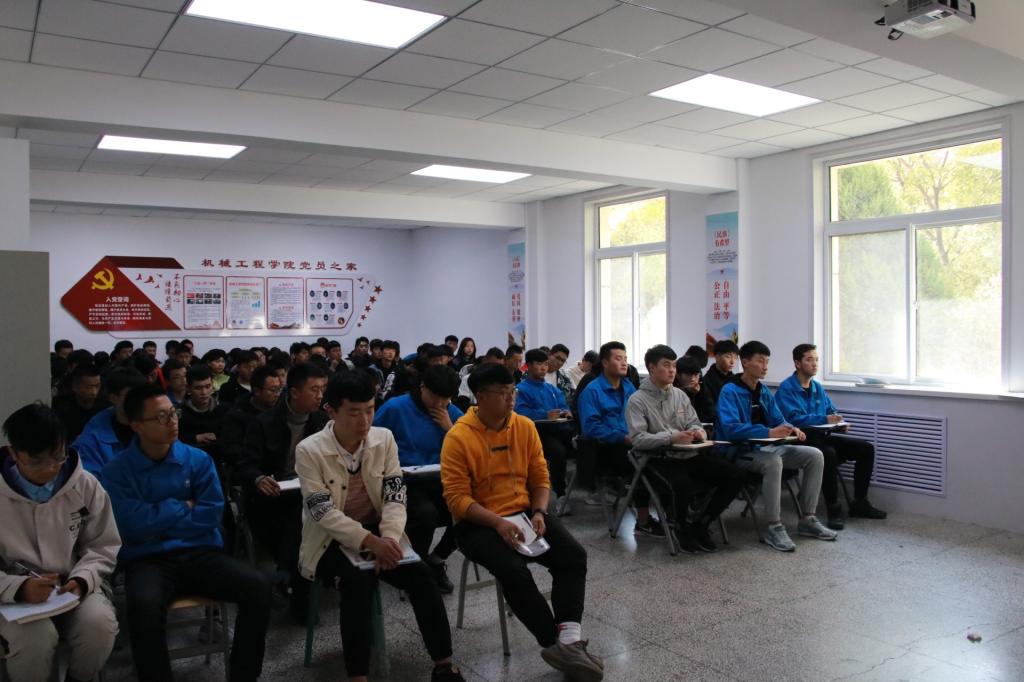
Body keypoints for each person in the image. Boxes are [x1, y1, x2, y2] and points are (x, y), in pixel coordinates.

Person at [297, 372, 465, 682]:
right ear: (331, 411)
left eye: (370, 410)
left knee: (422, 575)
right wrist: (369, 542)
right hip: (329, 540)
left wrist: (388, 539)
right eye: (354, 412)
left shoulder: (383, 438)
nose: (364, 421)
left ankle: (444, 664)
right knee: (357, 582)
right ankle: (358, 675)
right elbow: (323, 512)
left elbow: (395, 496)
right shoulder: (309, 450)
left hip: (381, 533)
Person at [442, 364, 602, 681]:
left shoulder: (524, 426)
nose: (510, 398)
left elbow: (540, 477)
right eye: (502, 393)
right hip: (478, 523)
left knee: (573, 556)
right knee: (513, 570)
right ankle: (554, 643)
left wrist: (540, 512)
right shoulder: (458, 437)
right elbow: (457, 499)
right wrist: (498, 523)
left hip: (526, 513)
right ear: (480, 397)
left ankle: (569, 640)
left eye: (512, 391)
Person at [102, 384, 271, 682]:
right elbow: (130, 525)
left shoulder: (197, 459)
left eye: (174, 413)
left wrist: (156, 517)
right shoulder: (117, 470)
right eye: (162, 417)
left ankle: (244, 676)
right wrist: (183, 506)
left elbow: (210, 514)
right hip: (148, 560)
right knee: (142, 607)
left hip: (200, 553)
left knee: (258, 587)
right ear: (137, 425)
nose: (173, 422)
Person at [0, 403, 120, 682]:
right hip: (9, 594)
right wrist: (18, 588)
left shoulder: (84, 485)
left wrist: (83, 579)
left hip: (71, 586)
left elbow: (103, 545)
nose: (51, 469)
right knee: (35, 639)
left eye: (58, 457)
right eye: (37, 461)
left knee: (98, 627)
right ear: (14, 454)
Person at [717, 341, 836, 552]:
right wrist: (768, 432)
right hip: (741, 451)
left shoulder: (763, 391)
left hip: (767, 448)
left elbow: (778, 420)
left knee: (815, 455)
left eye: (767, 361)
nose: (765, 366)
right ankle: (773, 526)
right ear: (745, 362)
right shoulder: (730, 391)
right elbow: (731, 429)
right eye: (760, 361)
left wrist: (791, 428)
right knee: (773, 462)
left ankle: (808, 519)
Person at [626, 345, 744, 553]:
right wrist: (671, 437)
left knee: (735, 474)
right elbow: (638, 438)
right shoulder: (637, 400)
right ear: (651, 368)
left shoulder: (680, 395)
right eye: (666, 365)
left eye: (673, 365)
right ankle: (681, 529)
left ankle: (702, 523)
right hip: (657, 458)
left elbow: (695, 423)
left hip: (687, 454)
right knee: (682, 484)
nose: (672, 370)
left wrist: (699, 433)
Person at [236, 363, 329, 621]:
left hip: (309, 493)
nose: (320, 396)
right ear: (295, 392)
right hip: (273, 496)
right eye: (314, 390)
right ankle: (297, 587)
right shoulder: (263, 423)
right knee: (301, 517)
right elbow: (245, 464)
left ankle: (287, 575)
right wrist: (258, 479)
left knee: (309, 512)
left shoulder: (321, 421)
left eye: (323, 389)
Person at [775, 344, 887, 530]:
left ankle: (860, 503)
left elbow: (831, 411)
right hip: (800, 439)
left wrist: (839, 423)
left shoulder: (817, 387)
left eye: (816, 360)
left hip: (821, 436)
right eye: (809, 360)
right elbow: (793, 419)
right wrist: (825, 419)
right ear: (797, 363)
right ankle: (833, 509)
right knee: (828, 454)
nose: (815, 364)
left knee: (865, 448)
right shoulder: (786, 389)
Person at [372, 365, 462, 593]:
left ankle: (437, 559)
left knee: (468, 508)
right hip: (403, 481)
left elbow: (470, 448)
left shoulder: (451, 413)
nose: (440, 403)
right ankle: (415, 569)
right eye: (435, 396)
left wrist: (450, 429)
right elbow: (372, 444)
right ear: (422, 387)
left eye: (446, 399)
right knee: (425, 514)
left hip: (439, 479)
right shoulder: (396, 408)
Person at [577, 342, 659, 534]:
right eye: (618, 359)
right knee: (646, 465)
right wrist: (622, 437)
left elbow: (642, 415)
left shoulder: (629, 387)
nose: (624, 363)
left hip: (632, 444)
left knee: (663, 459)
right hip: (605, 450)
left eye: (626, 359)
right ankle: (644, 520)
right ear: (605, 363)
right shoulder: (592, 391)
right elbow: (591, 428)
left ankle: (672, 516)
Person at [515, 348, 572, 504]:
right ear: (528, 366)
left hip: (558, 430)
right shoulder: (521, 389)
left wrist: (566, 412)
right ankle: (560, 493)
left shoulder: (551, 389)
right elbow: (520, 413)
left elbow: (562, 405)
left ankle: (591, 486)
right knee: (558, 452)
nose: (544, 368)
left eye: (546, 364)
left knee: (581, 444)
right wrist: (544, 415)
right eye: (539, 364)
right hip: (537, 434)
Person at [73, 367, 147, 481]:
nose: (139, 401)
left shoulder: (155, 423)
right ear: (113, 398)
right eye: (132, 396)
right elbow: (92, 483)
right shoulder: (93, 437)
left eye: (143, 396)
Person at [220, 366, 284, 470]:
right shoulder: (237, 414)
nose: (277, 394)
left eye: (279, 389)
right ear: (257, 391)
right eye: (273, 390)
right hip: (249, 468)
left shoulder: (281, 409)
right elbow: (230, 450)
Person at [178, 366, 232, 466]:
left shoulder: (225, 409)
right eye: (198, 388)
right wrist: (194, 438)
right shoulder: (179, 413)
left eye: (208, 386)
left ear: (213, 385)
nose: (204, 392)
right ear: (188, 388)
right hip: (190, 462)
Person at [51, 364, 103, 442]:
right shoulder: (62, 410)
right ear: (75, 387)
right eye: (89, 387)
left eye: (97, 386)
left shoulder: (104, 407)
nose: (94, 392)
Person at [674, 357, 715, 425]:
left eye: (696, 375)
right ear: (678, 375)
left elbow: (710, 415)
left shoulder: (702, 386)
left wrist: (699, 395)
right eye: (688, 375)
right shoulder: (671, 390)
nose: (693, 379)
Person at [702, 339, 739, 405]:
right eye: (728, 357)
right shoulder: (706, 381)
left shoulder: (736, 380)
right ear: (717, 357)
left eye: (735, 357)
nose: (732, 362)